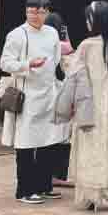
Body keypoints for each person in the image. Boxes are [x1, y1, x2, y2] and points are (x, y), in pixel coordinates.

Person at [0, 0, 66, 204]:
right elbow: (5, 63)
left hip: (49, 94)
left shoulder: (52, 33)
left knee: (49, 142)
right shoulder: (17, 35)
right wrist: (27, 64)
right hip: (28, 97)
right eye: (31, 11)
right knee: (26, 144)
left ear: (47, 13)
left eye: (40, 12)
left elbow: (56, 61)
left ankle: (44, 186)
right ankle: (25, 190)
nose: (35, 16)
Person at [66, 1, 108, 211]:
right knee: (107, 144)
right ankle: (106, 191)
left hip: (89, 102)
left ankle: (90, 194)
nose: (87, 22)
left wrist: (65, 57)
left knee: (89, 145)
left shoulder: (87, 45)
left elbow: (73, 72)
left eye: (89, 18)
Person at [44, 12, 75, 186]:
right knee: (63, 137)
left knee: (51, 137)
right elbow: (70, 53)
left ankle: (50, 175)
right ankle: (57, 176)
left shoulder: (42, 43)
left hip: (48, 96)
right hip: (60, 95)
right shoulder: (62, 45)